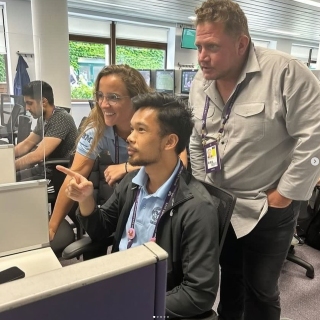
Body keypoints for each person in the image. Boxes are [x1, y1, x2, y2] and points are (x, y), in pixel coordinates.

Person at [188, 1, 320, 320]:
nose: (202, 56)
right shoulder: (200, 82)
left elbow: (314, 136)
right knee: (230, 279)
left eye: (213, 47)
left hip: (266, 206)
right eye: (199, 46)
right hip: (220, 204)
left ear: (241, 43)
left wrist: (284, 194)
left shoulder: (286, 72)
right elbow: (198, 137)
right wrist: (202, 189)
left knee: (260, 289)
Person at [57, 92, 220, 319]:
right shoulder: (132, 183)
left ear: (170, 142)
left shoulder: (196, 208)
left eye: (141, 130)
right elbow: (100, 230)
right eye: (132, 129)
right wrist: (85, 199)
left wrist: (135, 305)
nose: (130, 138)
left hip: (150, 304)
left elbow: (198, 294)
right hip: (119, 285)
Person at [48, 64, 150, 240]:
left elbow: (178, 162)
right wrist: (52, 227)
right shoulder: (98, 129)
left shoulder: (154, 120)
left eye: (114, 97)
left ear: (136, 99)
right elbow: (74, 175)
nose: (103, 104)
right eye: (100, 96)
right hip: (129, 193)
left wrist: (128, 167)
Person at [15, 80, 77, 181]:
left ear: (44, 102)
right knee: (13, 177)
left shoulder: (60, 118)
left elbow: (38, 155)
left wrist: (10, 166)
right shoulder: (43, 118)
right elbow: (28, 143)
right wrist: (7, 156)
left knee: (16, 183)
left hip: (58, 173)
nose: (27, 108)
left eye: (30, 103)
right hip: (45, 168)